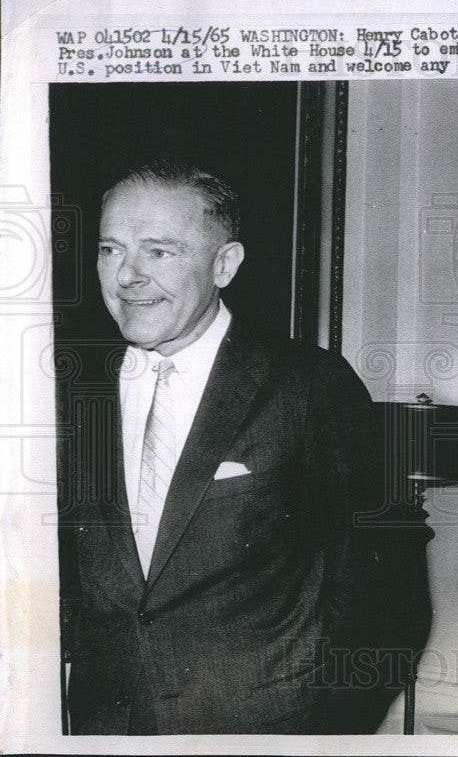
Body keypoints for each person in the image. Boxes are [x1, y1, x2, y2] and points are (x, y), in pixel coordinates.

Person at [60, 161, 431, 734]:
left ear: (224, 264)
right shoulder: (64, 389)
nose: (127, 275)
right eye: (110, 250)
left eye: (158, 252)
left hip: (263, 729)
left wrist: (328, 733)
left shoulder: (308, 385)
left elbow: (384, 591)